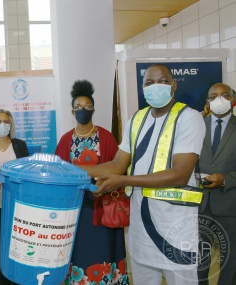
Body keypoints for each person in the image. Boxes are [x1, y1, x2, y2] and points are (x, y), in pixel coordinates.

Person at [80, 64, 205, 285]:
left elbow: (180, 174)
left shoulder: (189, 118)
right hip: (141, 222)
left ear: (174, 85)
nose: (156, 87)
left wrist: (123, 181)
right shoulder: (137, 119)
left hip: (174, 224)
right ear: (142, 88)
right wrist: (73, 169)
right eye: (149, 83)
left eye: (163, 81)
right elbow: (118, 164)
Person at [55, 80, 128, 284]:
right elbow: (58, 175)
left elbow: (118, 171)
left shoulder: (106, 138)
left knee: (104, 254)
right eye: (78, 107)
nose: (83, 110)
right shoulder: (65, 140)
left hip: (102, 209)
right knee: (79, 255)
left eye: (87, 107)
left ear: (93, 109)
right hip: (75, 212)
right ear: (72, 112)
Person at [0, 109, 29, 285]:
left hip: (18, 207)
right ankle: (3, 281)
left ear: (11, 125)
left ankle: (19, 280)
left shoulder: (20, 145)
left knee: (19, 247)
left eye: (5, 121)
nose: (2, 125)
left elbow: (27, 175)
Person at [198, 83, 236, 285]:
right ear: (207, 102)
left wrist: (226, 179)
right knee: (199, 260)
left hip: (230, 204)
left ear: (232, 99)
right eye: (213, 96)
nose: (218, 100)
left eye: (224, 95)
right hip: (199, 204)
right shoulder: (196, 126)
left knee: (230, 259)